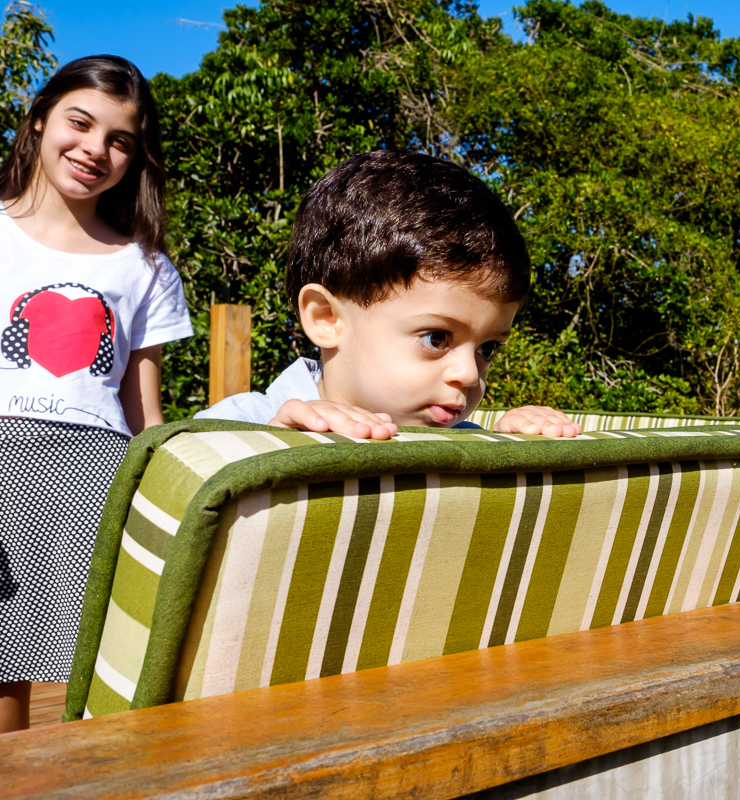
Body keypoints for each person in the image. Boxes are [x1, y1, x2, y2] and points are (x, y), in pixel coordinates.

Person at [0, 56, 193, 732]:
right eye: (80, 123)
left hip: (91, 479)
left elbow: (145, 412)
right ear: (39, 118)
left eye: (120, 140)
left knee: (102, 672)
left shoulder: (146, 266)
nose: (95, 150)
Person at [197, 150, 580, 439]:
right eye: (437, 338)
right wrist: (268, 449)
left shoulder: (465, 441)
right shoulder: (241, 424)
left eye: (487, 349)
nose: (468, 375)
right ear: (326, 318)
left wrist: (511, 450)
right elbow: (162, 509)